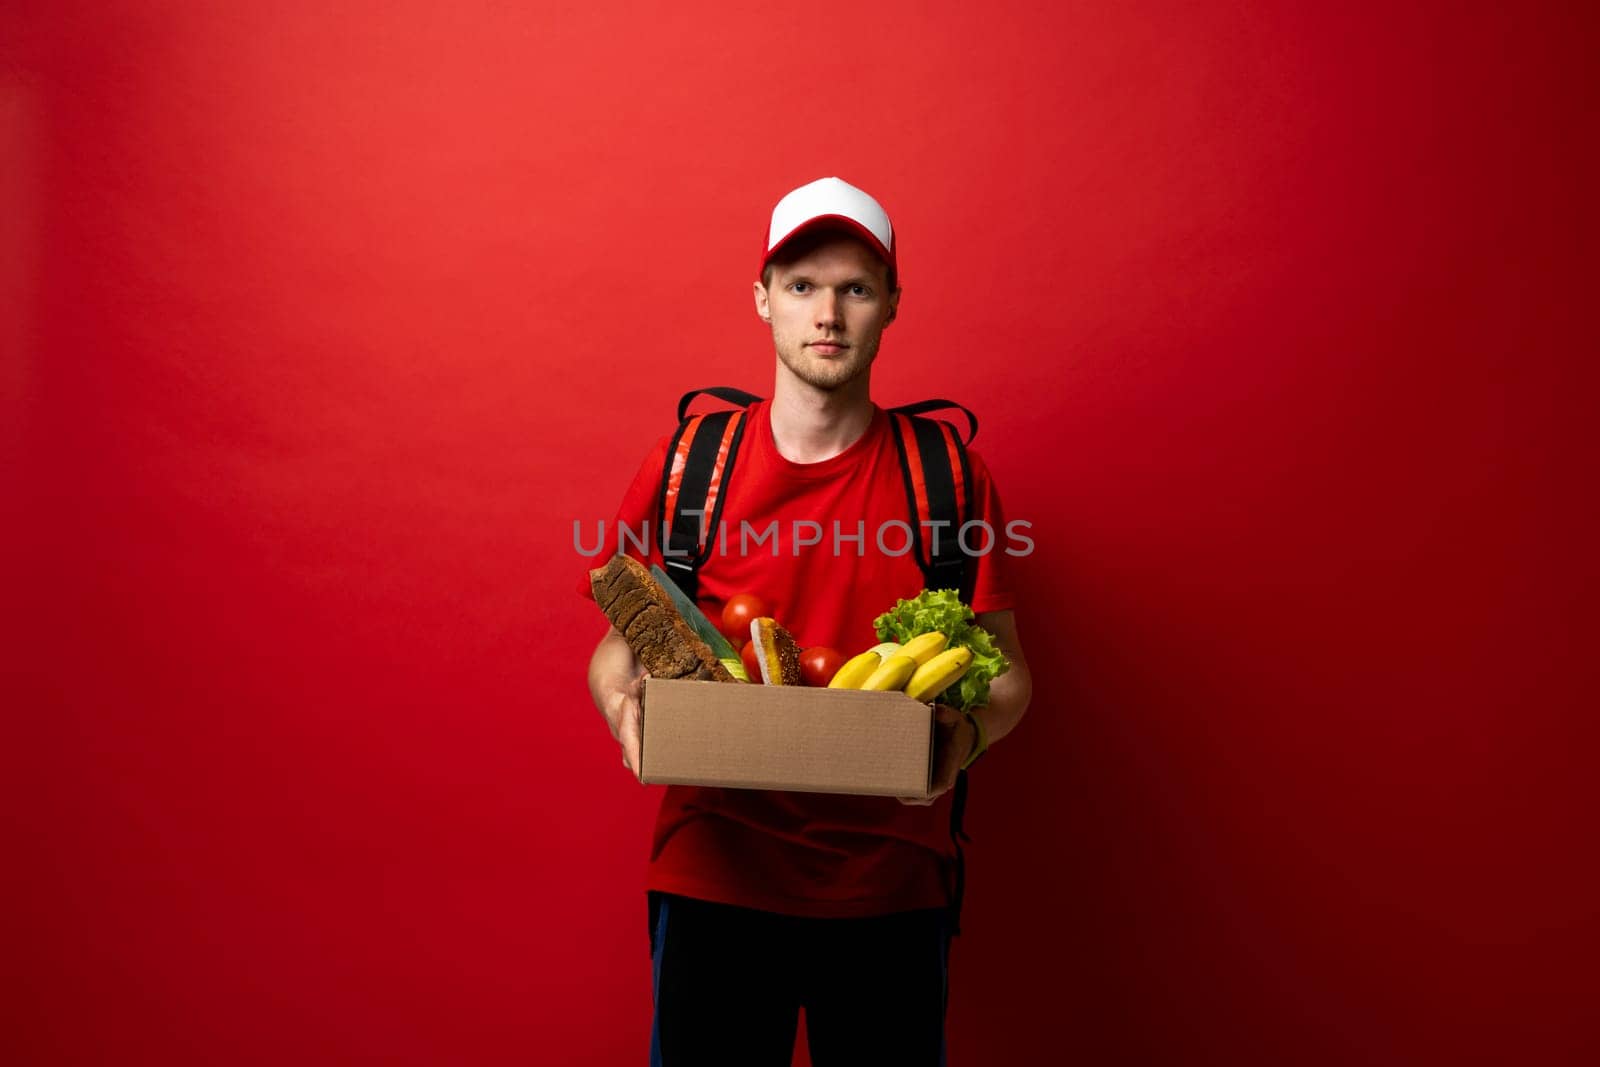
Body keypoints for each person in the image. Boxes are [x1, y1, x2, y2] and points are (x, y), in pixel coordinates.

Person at [580, 176, 1032, 1066]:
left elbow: (1010, 676)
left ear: (891, 305)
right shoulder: (687, 465)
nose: (828, 313)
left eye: (856, 287)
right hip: (712, 874)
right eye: (801, 286)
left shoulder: (946, 476)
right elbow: (612, 654)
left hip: (891, 890)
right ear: (763, 302)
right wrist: (624, 712)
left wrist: (963, 738)